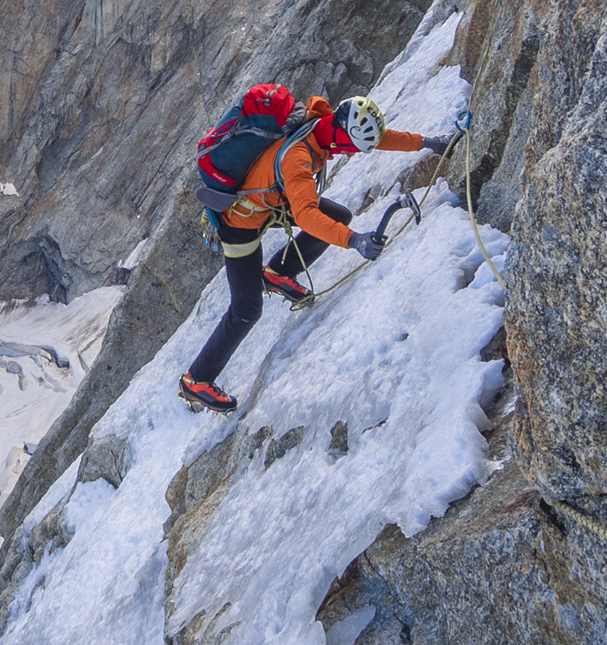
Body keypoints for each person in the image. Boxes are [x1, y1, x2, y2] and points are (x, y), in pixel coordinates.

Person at [178, 94, 453, 413]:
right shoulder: (299, 157)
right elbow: (307, 215)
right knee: (246, 309)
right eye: (351, 145)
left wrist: (429, 142)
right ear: (342, 134)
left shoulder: (322, 126)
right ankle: (196, 380)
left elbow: (376, 138)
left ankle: (279, 272)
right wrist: (355, 242)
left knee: (338, 215)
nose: (350, 152)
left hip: (270, 202)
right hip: (239, 222)